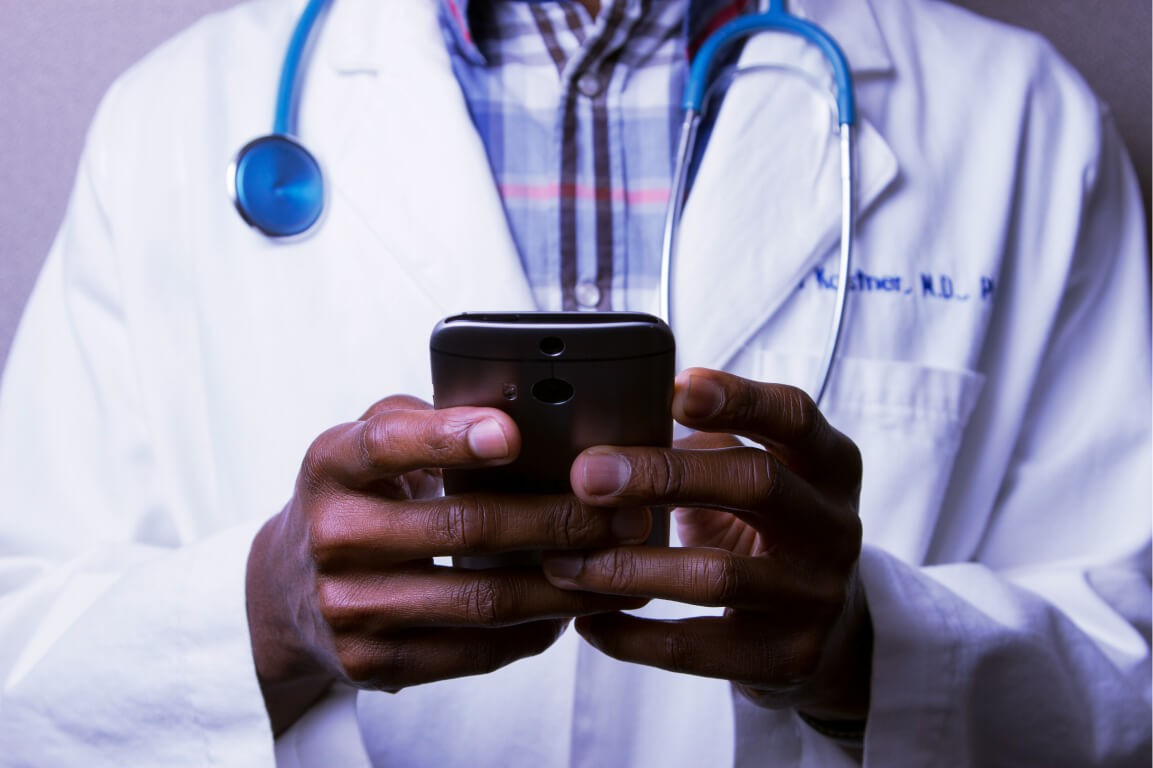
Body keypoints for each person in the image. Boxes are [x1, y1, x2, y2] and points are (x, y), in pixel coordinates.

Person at [0, 0, 1149, 765]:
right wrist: (264, 611)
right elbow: (21, 660)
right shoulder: (172, 120)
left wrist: (869, 647)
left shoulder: (1024, 123)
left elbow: (1130, 658)